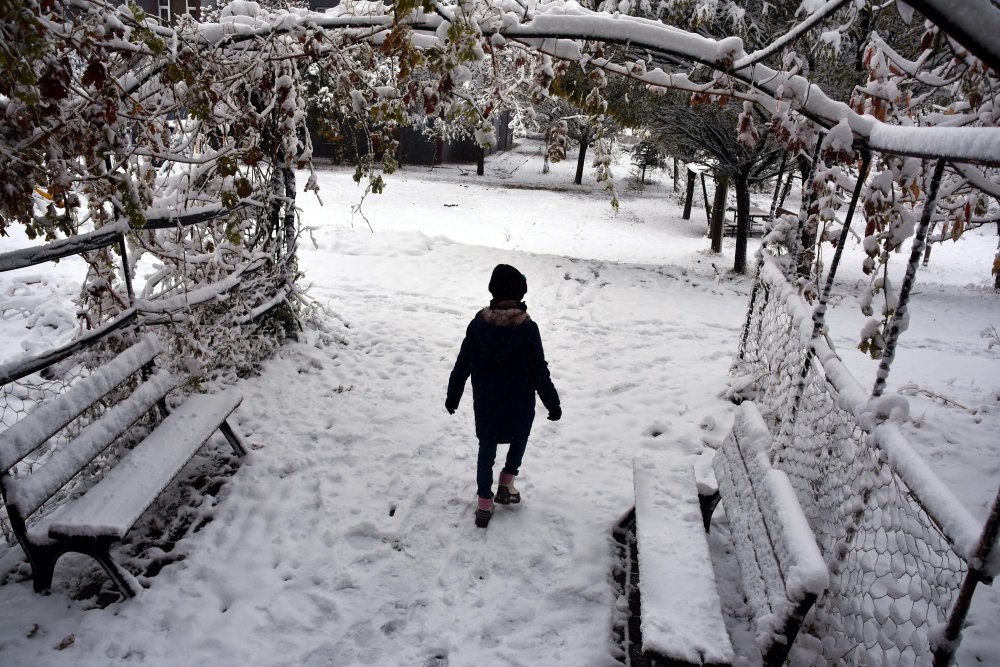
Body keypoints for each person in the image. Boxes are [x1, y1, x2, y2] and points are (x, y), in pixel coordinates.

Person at [446, 264, 561, 528]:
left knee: (486, 449)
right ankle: (506, 483)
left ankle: (484, 503)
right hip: (519, 401)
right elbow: (539, 370)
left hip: (486, 401)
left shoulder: (478, 325)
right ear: (520, 294)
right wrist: (552, 403)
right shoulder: (528, 329)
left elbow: (463, 362)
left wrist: (453, 394)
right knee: (519, 439)